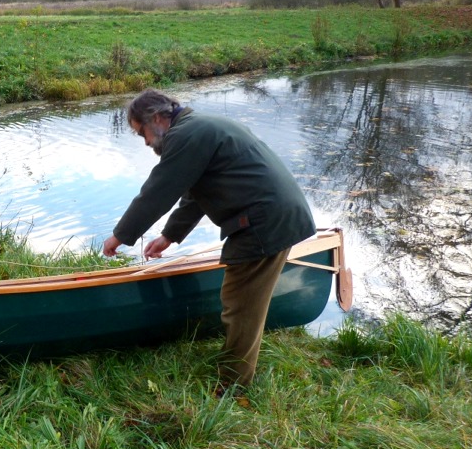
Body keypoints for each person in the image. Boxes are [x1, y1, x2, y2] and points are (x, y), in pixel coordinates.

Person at [102, 88, 316, 391]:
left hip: (262, 221)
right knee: (244, 302)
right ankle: (237, 372)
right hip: (275, 214)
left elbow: (159, 190)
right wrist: (169, 236)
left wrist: (119, 236)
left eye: (143, 134)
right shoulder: (200, 127)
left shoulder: (185, 135)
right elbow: (195, 194)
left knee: (240, 306)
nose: (148, 143)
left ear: (158, 118)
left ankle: (233, 385)